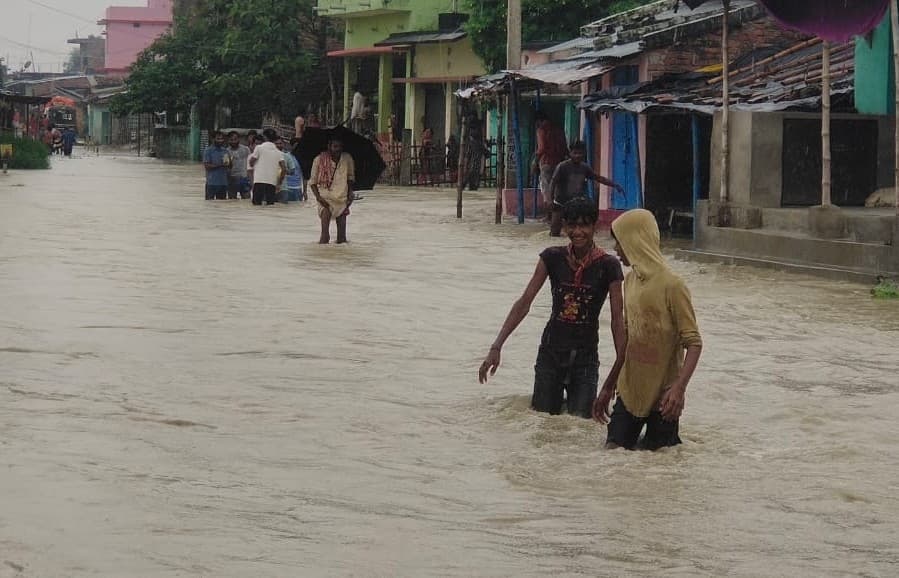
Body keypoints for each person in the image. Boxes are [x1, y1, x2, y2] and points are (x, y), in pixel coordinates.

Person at [479, 198, 626, 419]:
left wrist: (619, 369)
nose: (577, 232)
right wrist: (496, 346)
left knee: (580, 426)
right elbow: (524, 302)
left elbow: (617, 320)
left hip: (585, 359)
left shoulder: (609, 266)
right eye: (572, 226)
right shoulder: (552, 258)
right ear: (564, 226)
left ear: (594, 227)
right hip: (550, 355)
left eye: (584, 225)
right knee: (543, 424)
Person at [593, 209, 703, 450]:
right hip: (630, 389)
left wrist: (679, 388)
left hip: (664, 398)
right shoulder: (629, 282)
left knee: (660, 462)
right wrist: (609, 385)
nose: (616, 249)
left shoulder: (673, 286)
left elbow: (694, 343)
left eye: (619, 242)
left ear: (635, 241)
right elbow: (627, 342)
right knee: (613, 453)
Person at [548, 141, 624, 237]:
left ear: (584, 153)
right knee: (554, 233)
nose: (578, 156)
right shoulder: (562, 166)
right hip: (560, 203)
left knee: (577, 232)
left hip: (575, 204)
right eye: (575, 153)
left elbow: (598, 178)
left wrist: (614, 185)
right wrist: (550, 201)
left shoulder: (585, 167)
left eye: (580, 153)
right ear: (570, 153)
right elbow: (552, 183)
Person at [309, 136, 355, 244]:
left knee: (342, 239)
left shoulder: (347, 158)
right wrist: (319, 198)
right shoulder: (319, 159)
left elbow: (350, 178)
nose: (338, 149)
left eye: (340, 146)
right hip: (326, 199)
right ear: (329, 146)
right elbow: (313, 182)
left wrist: (350, 194)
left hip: (342, 198)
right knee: (325, 237)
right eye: (335, 146)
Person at [533, 112, 568, 214]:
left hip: (546, 162)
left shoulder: (541, 130)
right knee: (557, 189)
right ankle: (556, 214)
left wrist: (535, 161)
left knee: (547, 191)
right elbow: (565, 148)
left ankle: (549, 215)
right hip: (559, 162)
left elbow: (541, 148)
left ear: (538, 121)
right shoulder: (559, 130)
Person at [248, 128, 286, 206]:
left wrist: (253, 165)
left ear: (264, 137)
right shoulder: (279, 152)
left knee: (256, 207)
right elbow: (284, 169)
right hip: (272, 183)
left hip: (259, 182)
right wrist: (279, 182)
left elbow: (251, 162)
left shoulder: (259, 148)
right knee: (270, 206)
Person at [203, 131, 231, 200]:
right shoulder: (208, 151)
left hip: (223, 183)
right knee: (209, 204)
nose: (220, 141)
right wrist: (221, 165)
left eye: (222, 139)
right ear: (213, 139)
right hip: (211, 183)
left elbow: (230, 167)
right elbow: (207, 166)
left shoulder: (225, 151)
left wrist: (230, 162)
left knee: (221, 205)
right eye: (218, 139)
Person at [226, 131, 251, 199]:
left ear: (239, 139)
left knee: (246, 200)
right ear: (228, 140)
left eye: (235, 139)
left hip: (244, 177)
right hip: (232, 178)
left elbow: (250, 164)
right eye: (231, 140)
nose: (233, 141)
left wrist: (250, 178)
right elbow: (226, 167)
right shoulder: (226, 151)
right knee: (232, 201)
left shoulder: (246, 149)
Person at [275, 137, 300, 203]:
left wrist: (284, 170)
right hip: (270, 186)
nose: (278, 145)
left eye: (280, 143)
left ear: (283, 144)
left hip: (283, 188)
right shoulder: (268, 155)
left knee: (285, 209)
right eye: (276, 143)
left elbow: (293, 171)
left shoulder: (287, 156)